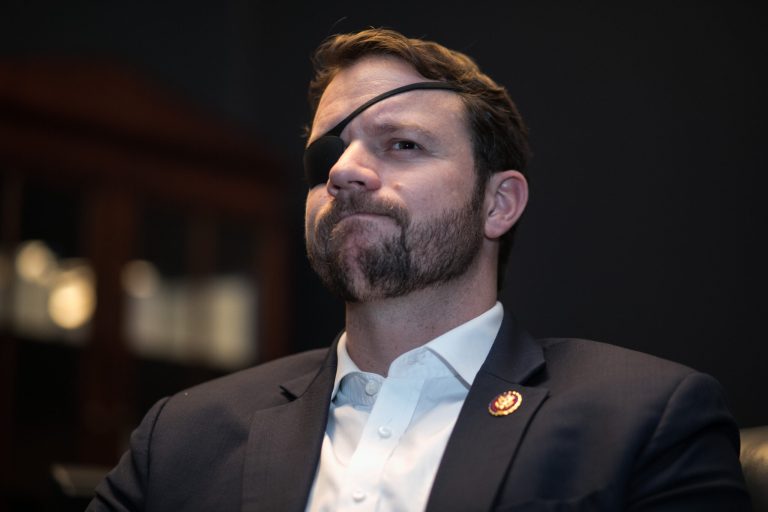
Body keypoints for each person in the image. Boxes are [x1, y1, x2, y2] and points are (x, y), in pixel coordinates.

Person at [88, 28, 751, 511]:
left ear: (499, 203)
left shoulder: (646, 420)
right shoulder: (179, 437)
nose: (343, 173)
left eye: (401, 144)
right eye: (327, 159)